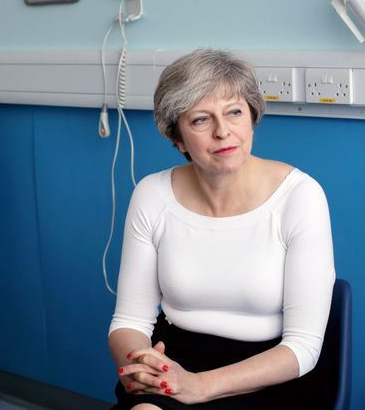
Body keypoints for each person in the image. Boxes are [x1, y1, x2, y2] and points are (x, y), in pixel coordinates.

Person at [108, 48, 335, 410]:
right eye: (200, 120)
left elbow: (303, 347)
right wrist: (141, 363)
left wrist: (200, 386)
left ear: (251, 117)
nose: (222, 131)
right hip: (175, 362)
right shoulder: (151, 195)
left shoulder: (300, 197)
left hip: (267, 376)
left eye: (234, 112)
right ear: (177, 138)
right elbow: (129, 320)